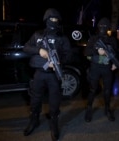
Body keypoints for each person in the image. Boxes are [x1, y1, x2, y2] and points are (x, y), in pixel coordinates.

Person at [23, 8, 71, 141]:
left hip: (54, 74)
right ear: (46, 20)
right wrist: (39, 51)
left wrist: (59, 62)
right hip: (39, 73)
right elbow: (26, 48)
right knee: (35, 99)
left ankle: (54, 124)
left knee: (54, 102)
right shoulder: (37, 35)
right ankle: (34, 120)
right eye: (51, 19)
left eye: (56, 20)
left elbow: (69, 55)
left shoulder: (62, 37)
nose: (54, 21)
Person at [84, 17, 118, 122]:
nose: (102, 28)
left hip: (107, 67)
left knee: (107, 90)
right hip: (95, 67)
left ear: (108, 27)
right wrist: (96, 50)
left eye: (105, 26)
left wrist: (115, 64)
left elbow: (116, 53)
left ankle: (107, 109)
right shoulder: (93, 39)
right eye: (101, 26)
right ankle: (89, 109)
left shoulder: (112, 40)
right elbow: (86, 52)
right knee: (92, 89)